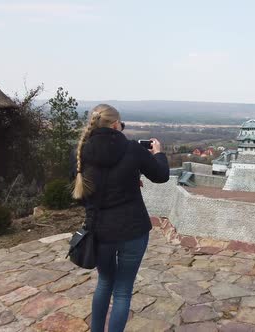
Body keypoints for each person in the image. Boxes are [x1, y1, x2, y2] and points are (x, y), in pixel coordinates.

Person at [71, 104, 169, 332]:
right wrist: (159, 154)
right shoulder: (132, 149)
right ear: (116, 125)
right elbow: (162, 175)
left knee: (105, 282)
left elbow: (81, 194)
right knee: (123, 290)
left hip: (100, 232)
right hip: (133, 230)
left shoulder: (80, 152)